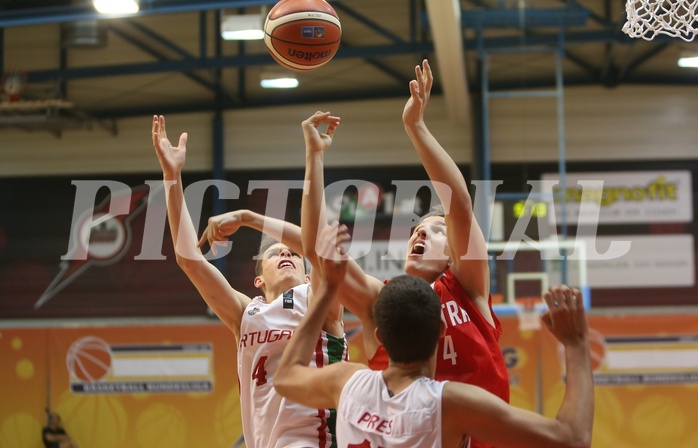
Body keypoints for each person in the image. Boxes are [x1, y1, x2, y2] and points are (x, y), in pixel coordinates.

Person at [300, 59, 509, 447]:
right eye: (416, 230)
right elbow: (317, 250)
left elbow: (459, 204)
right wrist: (314, 157)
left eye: (436, 230)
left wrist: (415, 126)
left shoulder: (467, 288)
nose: (422, 233)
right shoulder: (385, 303)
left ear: (454, 255)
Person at [274, 224, 593, 448]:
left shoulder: (347, 382)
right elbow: (572, 438)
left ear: (379, 336)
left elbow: (286, 376)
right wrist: (576, 345)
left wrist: (327, 290)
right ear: (441, 332)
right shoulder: (450, 403)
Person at [151, 115, 347, 448]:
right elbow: (189, 260)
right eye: (274, 254)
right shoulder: (247, 314)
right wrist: (172, 177)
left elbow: (314, 243)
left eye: (292, 254)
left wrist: (314, 156)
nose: (285, 254)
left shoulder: (317, 297)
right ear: (257, 279)